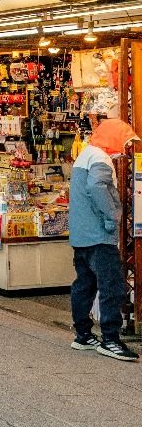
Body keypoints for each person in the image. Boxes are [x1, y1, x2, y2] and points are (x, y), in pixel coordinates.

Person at [69, 119, 140, 362]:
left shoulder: (85, 155)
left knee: (85, 284)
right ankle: (110, 339)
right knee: (112, 286)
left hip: (81, 234)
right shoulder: (100, 158)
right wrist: (112, 217)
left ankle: (83, 334)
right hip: (99, 235)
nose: (125, 147)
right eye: (124, 140)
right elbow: (97, 187)